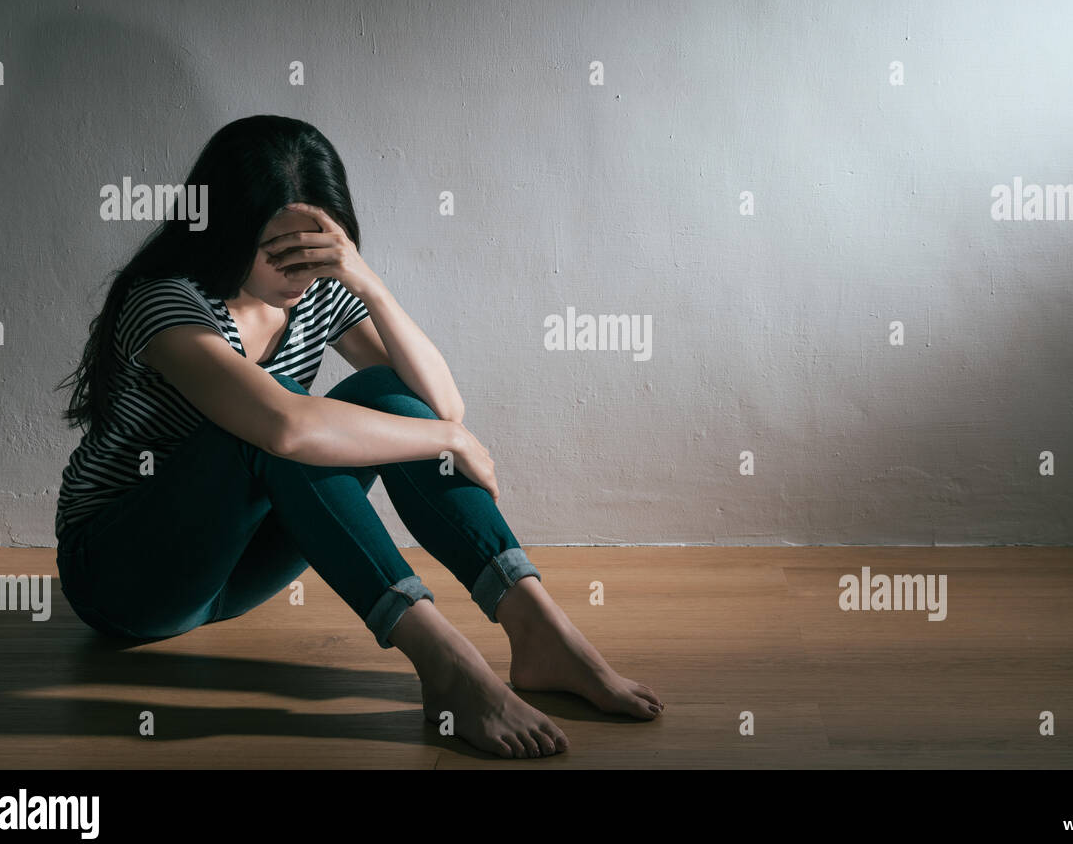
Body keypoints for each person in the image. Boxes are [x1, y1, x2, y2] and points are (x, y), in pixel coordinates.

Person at [54, 114, 664, 759]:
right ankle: (447, 662)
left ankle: (538, 628)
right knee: (278, 427)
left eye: (316, 251)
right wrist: (448, 442)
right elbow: (287, 427)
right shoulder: (166, 302)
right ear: (227, 232)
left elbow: (439, 406)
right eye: (279, 253)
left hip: (233, 575)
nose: (300, 272)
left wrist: (365, 281)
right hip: (126, 577)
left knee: (379, 397)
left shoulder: (319, 294)